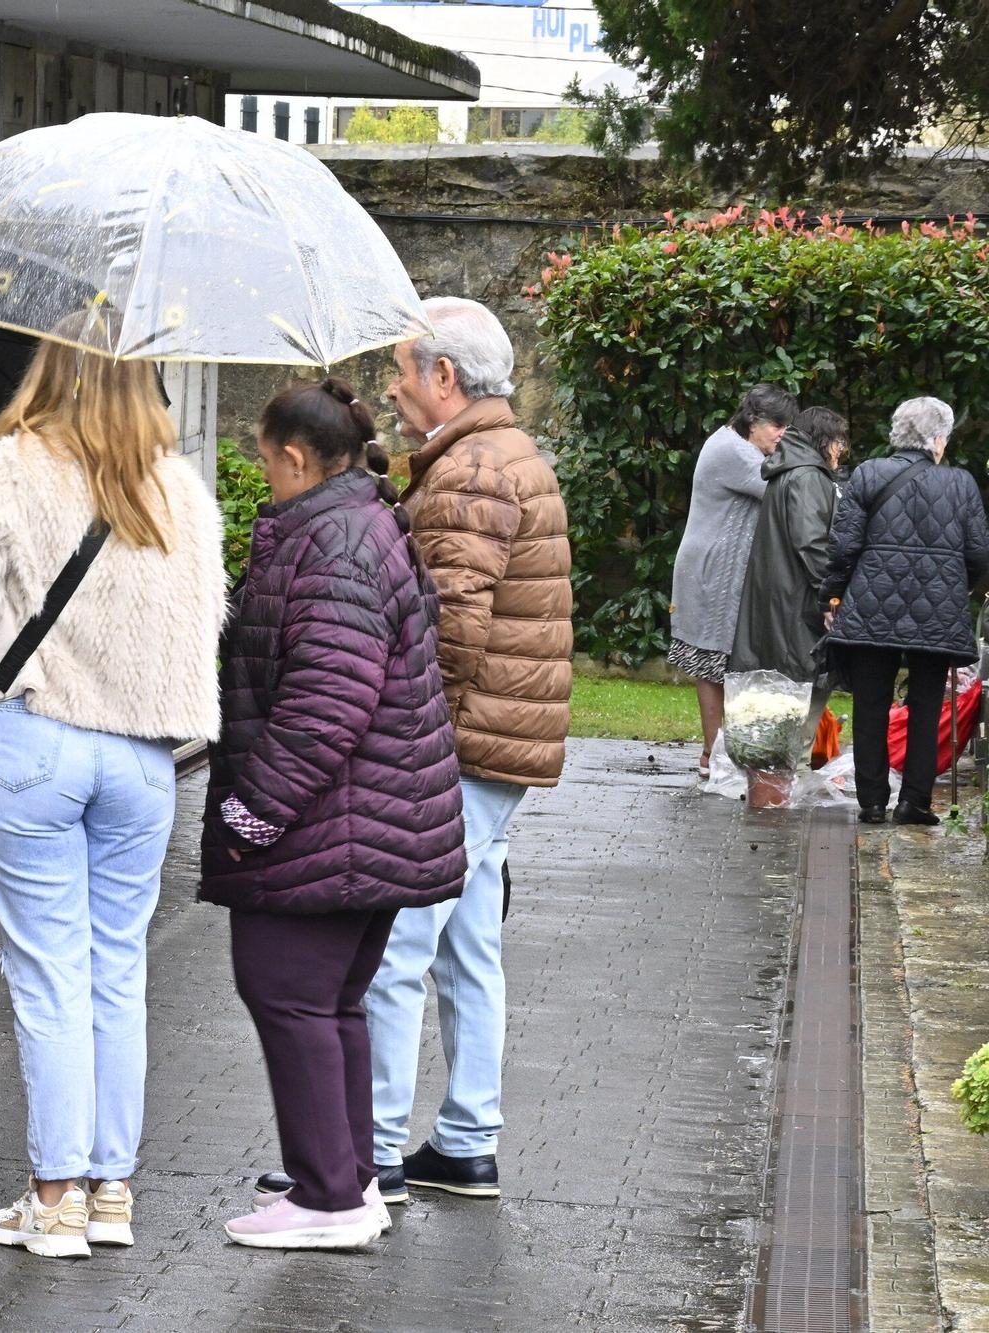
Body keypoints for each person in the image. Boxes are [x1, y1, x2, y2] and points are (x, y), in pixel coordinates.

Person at [0, 332, 224, 1258]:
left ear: (47, 370)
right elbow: (201, 629)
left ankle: (53, 1200)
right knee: (117, 972)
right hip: (142, 760)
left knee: (48, 976)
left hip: (38, 742)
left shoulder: (3, 471)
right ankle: (110, 1190)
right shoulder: (185, 494)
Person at [202, 379, 465, 1251]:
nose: (261, 473)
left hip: (337, 825)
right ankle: (347, 1181)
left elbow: (327, 702)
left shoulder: (335, 539)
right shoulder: (355, 522)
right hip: (369, 821)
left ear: (294, 457)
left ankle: (327, 1197)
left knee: (288, 993)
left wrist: (252, 812)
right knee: (330, 1002)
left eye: (264, 459)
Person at [365, 297, 572, 1205]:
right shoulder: (496, 453)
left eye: (405, 371)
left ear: (445, 376)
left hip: (460, 742)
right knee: (468, 943)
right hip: (498, 739)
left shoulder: (472, 467)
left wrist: (410, 746)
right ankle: (466, 1138)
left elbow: (449, 630)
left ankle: (368, 1150)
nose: (394, 387)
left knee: (396, 944)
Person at [820, 396, 989, 824]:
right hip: (937, 608)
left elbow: (844, 547)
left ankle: (872, 802)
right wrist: (954, 586)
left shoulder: (868, 473)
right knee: (928, 705)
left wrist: (832, 597)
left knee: (871, 703)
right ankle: (915, 801)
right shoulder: (961, 483)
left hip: (872, 604)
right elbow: (979, 553)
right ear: (936, 439)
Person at [668, 384, 800, 774]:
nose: (782, 434)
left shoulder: (739, 445)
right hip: (710, 571)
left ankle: (721, 754)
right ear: (753, 421)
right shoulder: (735, 451)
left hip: (719, 571)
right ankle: (715, 755)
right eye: (777, 425)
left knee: (721, 661)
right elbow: (785, 493)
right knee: (711, 660)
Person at [730, 407, 850, 739]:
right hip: (798, 603)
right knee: (799, 698)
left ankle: (774, 780)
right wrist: (831, 599)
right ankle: (784, 782)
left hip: (782, 598)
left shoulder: (790, 470)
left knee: (779, 701)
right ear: (826, 441)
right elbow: (812, 544)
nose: (842, 450)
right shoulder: (808, 476)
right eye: (840, 441)